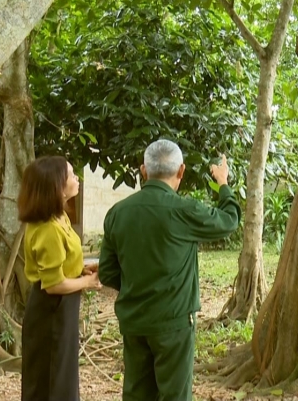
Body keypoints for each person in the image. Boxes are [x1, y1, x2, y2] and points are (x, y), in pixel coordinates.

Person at [98, 139, 241, 401]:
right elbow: (229, 221)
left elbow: (107, 272)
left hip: (133, 321)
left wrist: (135, 286)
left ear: (144, 171)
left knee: (137, 393)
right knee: (174, 395)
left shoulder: (117, 213)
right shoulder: (184, 210)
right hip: (173, 323)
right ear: (181, 171)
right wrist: (223, 184)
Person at [18, 156, 102, 401]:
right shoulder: (48, 229)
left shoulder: (60, 217)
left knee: (63, 375)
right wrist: (88, 282)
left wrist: (81, 270)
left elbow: (63, 264)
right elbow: (54, 284)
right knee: (49, 379)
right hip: (50, 310)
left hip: (64, 307)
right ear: (57, 186)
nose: (77, 179)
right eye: (71, 175)